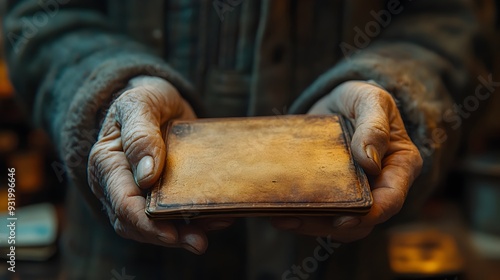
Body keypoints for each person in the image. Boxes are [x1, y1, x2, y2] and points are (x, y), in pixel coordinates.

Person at [3, 0, 496, 279]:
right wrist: (112, 93)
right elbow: (39, 14)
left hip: (344, 262)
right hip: (119, 263)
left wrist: (395, 95)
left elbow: (449, 23)